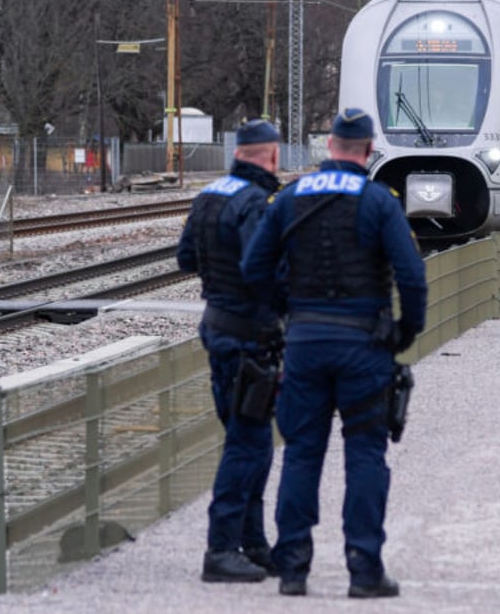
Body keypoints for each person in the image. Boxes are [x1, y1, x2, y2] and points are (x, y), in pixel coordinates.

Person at [240, 108, 428, 598]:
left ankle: (294, 568)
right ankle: (364, 569)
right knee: (366, 453)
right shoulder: (379, 201)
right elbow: (411, 275)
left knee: (302, 453)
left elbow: (253, 267)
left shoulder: (289, 197)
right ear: (368, 151)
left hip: (304, 342)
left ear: (329, 147)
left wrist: (285, 314)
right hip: (364, 345)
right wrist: (405, 332)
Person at [176, 119, 283, 583]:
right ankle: (221, 550)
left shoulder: (209, 195)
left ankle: (254, 545)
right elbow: (260, 269)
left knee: (246, 438)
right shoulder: (255, 203)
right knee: (249, 445)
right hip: (248, 339)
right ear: (271, 155)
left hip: (217, 329)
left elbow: (185, 259)